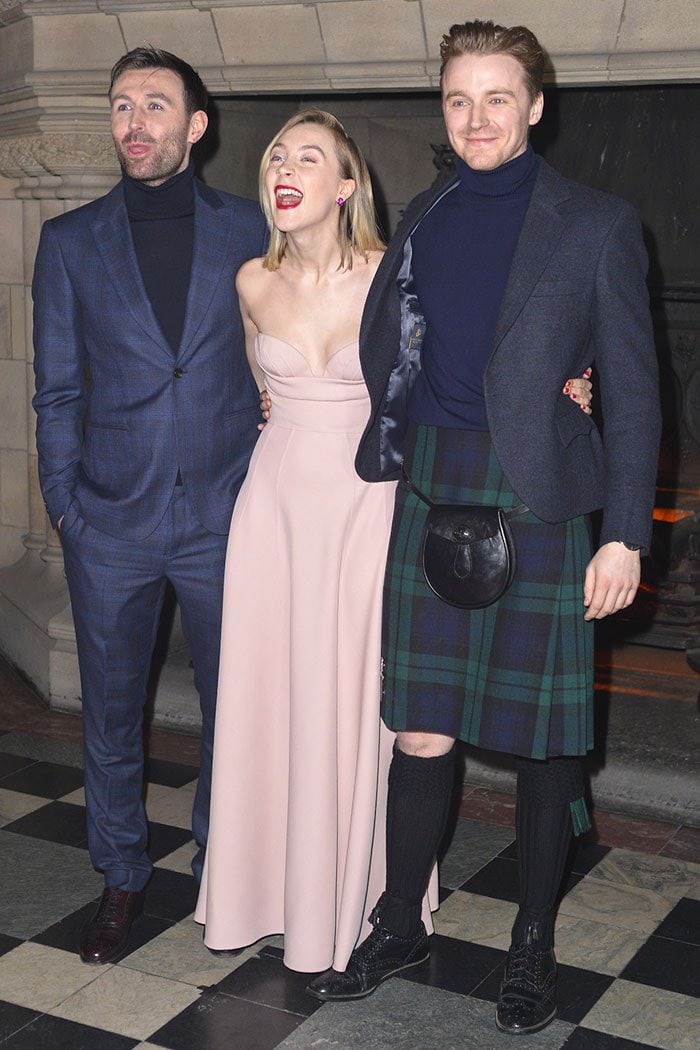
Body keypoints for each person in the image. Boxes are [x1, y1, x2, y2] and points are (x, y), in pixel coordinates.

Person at [306, 19, 661, 1037]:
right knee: (418, 729)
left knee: (544, 746)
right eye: (458, 98)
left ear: (535, 107)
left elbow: (634, 393)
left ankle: (531, 948)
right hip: (431, 481)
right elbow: (385, 342)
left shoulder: (595, 224)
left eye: (496, 98)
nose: (476, 118)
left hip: (543, 494)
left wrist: (624, 532)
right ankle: (398, 925)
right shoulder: (421, 213)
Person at [194, 109, 593, 974]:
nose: (283, 168)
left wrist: (567, 386)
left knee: (372, 712)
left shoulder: (395, 267)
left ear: (346, 186)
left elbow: (476, 351)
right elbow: (262, 390)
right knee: (273, 701)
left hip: (371, 506)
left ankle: (374, 900)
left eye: (308, 157)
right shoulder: (249, 284)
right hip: (273, 510)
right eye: (274, 156)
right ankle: (264, 892)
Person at [31, 46, 266, 965]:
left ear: (195, 126)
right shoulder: (71, 240)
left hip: (227, 519)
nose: (136, 123)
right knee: (112, 714)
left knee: (234, 710)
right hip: (110, 525)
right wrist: (68, 509)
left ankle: (220, 862)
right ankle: (122, 876)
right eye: (122, 105)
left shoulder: (251, 228)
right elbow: (57, 392)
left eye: (156, 106)